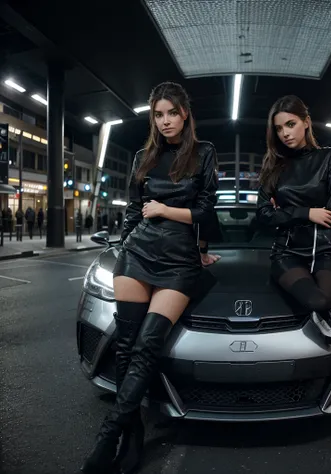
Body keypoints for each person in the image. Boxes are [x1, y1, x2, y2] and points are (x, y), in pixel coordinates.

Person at [80, 82, 219, 474]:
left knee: (146, 344)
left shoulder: (203, 153)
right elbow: (133, 208)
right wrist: (125, 245)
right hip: (137, 254)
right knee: (126, 347)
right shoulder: (144, 155)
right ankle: (133, 434)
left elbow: (206, 210)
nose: (166, 121)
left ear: (184, 113)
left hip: (178, 261)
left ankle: (109, 436)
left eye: (171, 113)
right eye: (158, 115)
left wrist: (165, 211)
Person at [256, 95, 331, 346]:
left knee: (326, 299)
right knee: (318, 302)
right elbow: (263, 215)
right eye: (278, 128)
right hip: (287, 252)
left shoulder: (329, 157)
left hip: (324, 251)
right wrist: (306, 213)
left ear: (306, 122)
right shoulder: (273, 166)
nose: (285, 133)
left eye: (291, 124)